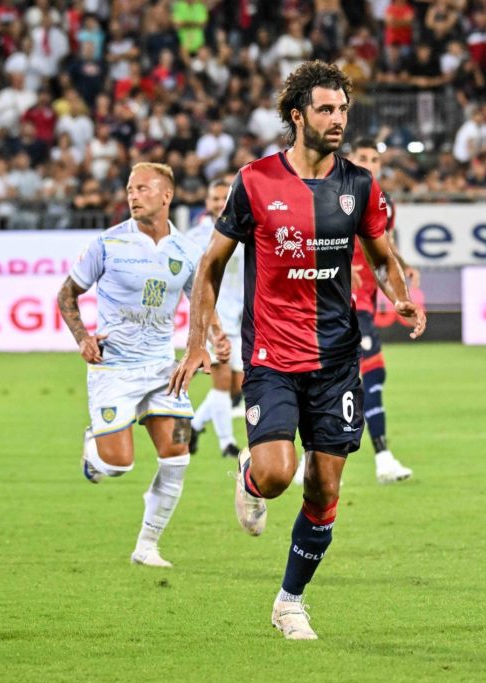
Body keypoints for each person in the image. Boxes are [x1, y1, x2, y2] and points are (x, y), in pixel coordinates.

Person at [169, 61, 425, 640]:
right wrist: (195, 344)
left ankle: (289, 601)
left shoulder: (359, 185)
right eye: (326, 110)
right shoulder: (255, 180)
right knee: (277, 474)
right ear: (297, 115)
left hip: (336, 361)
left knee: (325, 488)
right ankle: (250, 475)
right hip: (273, 359)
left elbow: (381, 256)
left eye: (343, 110)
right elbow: (210, 265)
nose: (338, 120)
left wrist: (400, 298)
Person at [57, 162, 229, 569]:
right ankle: (94, 448)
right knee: (118, 465)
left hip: (162, 369)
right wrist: (82, 337)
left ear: (166, 195)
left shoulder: (186, 251)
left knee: (178, 452)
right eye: (130, 189)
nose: (133, 195)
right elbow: (66, 295)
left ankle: (147, 545)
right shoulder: (107, 243)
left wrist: (215, 336)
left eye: (143, 188)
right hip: (114, 368)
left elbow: (200, 301)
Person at [293, 138, 417, 485]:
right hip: (332, 301)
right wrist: (339, 262)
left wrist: (403, 264)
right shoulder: (329, 191)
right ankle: (368, 458)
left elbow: (381, 241)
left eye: (374, 159)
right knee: (344, 377)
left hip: (362, 303)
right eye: (363, 157)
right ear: (349, 158)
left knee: (360, 377)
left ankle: (371, 459)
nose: (369, 163)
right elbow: (309, 237)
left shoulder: (383, 201)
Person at [186, 177, 245, 458]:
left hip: (242, 317)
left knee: (238, 385)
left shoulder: (246, 229)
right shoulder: (196, 237)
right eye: (215, 198)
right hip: (215, 318)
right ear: (207, 202)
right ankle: (227, 443)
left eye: (225, 198)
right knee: (221, 383)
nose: (220, 203)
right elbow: (192, 281)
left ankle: (194, 425)